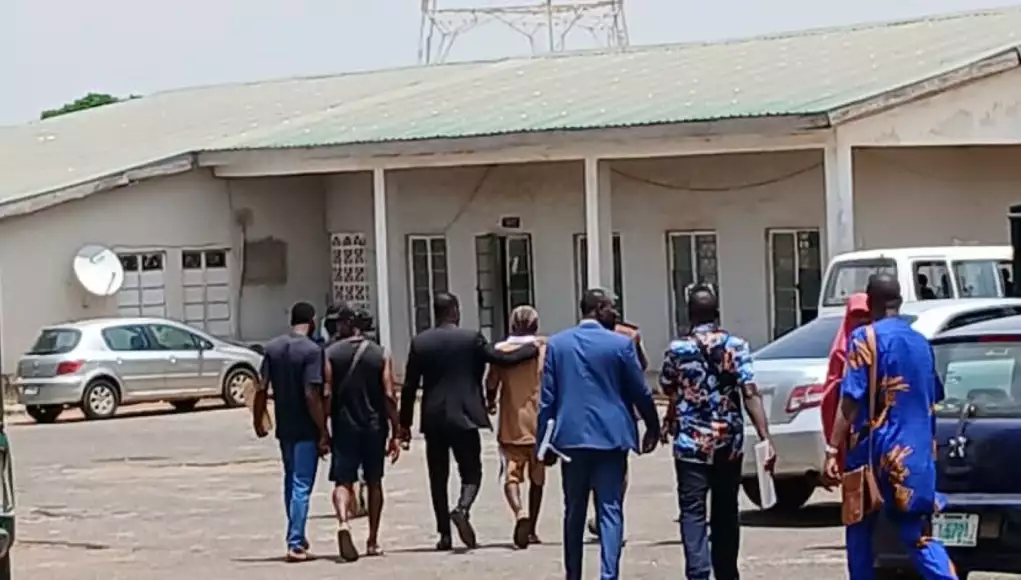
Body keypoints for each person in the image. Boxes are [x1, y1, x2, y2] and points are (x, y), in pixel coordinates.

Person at [823, 275, 957, 580]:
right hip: (915, 455)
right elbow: (933, 396)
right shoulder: (921, 342)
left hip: (872, 453)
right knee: (918, 534)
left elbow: (850, 400)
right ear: (899, 301)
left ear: (870, 303)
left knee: (859, 529)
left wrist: (832, 448)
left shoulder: (863, 338)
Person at [399, 292, 541, 551]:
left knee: (438, 477)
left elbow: (409, 386)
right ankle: (462, 508)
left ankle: (444, 535)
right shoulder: (470, 338)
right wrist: (530, 350)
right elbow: (501, 359)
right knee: (472, 472)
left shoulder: (421, 342)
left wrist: (404, 425)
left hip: (434, 418)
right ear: (455, 310)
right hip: (465, 416)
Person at [537, 288, 660, 580]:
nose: (615, 312)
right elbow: (640, 390)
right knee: (610, 509)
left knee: (574, 510)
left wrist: (544, 444)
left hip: (571, 439)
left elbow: (547, 399)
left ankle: (573, 574)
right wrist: (653, 426)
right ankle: (609, 575)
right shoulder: (621, 345)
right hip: (611, 438)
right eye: (611, 307)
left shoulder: (558, 345)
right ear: (599, 308)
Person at [659, 285, 775, 580]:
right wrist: (765, 436)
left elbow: (668, 386)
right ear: (717, 314)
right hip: (728, 443)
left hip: (690, 443)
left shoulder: (677, 350)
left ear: (688, 315)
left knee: (692, 511)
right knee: (726, 510)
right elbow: (749, 392)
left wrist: (672, 415)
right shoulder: (736, 346)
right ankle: (726, 572)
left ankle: (698, 573)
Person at [252, 301, 329, 562]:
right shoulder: (312, 351)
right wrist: (323, 429)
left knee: (290, 480)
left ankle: (296, 533)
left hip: (285, 426)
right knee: (301, 484)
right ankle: (295, 542)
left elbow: (261, 387)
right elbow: (311, 394)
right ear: (312, 321)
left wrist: (258, 418)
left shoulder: (273, 348)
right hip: (306, 427)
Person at [323, 305, 401, 562]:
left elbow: (326, 393)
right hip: (374, 426)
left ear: (348, 324)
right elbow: (389, 395)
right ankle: (373, 540)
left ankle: (343, 522)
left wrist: (323, 428)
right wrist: (397, 430)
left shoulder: (330, 353)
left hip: (344, 425)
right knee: (375, 481)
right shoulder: (381, 354)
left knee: (342, 481)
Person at [485, 305, 547, 549]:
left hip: (511, 423)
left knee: (511, 476)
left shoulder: (501, 351)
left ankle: (520, 513)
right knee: (538, 478)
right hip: (539, 423)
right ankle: (532, 529)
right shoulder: (543, 349)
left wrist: (490, 402)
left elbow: (491, 383)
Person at [587, 315, 648, 539]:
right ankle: (613, 513)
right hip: (622, 407)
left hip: (593, 405)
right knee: (619, 467)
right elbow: (642, 366)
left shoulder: (586, 336)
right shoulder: (630, 335)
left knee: (594, 465)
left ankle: (602, 514)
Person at [820, 293, 870, 470]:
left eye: (865, 315)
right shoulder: (841, 350)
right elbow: (833, 396)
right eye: (856, 315)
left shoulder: (875, 343)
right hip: (851, 428)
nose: (862, 320)